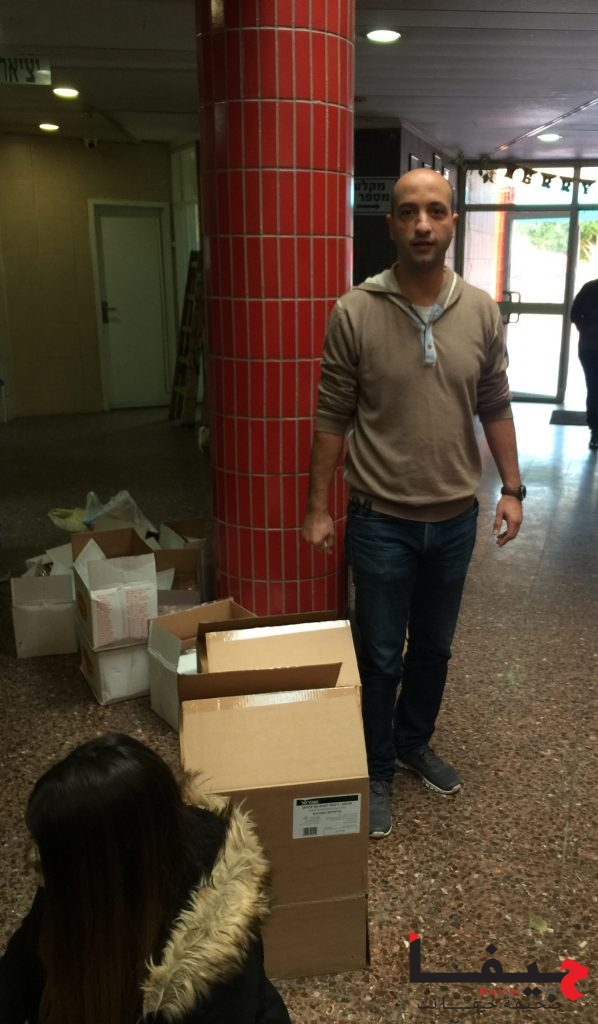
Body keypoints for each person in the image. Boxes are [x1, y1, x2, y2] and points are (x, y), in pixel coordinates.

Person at [302, 167, 524, 840]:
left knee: (433, 649)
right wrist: (318, 507)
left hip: (454, 520)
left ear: (454, 220)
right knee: (379, 656)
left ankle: (411, 743)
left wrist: (512, 489)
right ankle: (374, 769)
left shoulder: (480, 310)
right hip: (381, 521)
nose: (422, 224)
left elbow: (495, 404)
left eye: (435, 211)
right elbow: (331, 416)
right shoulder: (355, 311)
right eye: (408, 212)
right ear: (391, 224)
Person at [0, 732, 291, 1024]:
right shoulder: (99, 873)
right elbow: (22, 965)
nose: (40, 877)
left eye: (51, 860)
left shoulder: (212, 986)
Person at [570, 278, 598, 449]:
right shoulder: (590, 288)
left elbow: (574, 315)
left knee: (594, 388)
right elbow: (574, 315)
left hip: (589, 347)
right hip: (591, 348)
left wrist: (585, 329)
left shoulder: (589, 288)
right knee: (594, 388)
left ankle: (595, 431)